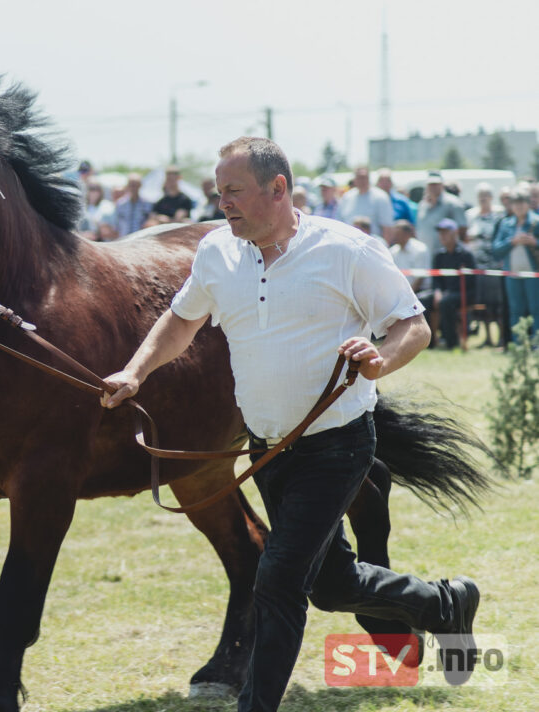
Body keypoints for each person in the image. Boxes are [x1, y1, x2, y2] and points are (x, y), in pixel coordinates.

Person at [101, 136, 480, 712]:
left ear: (278, 188)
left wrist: (381, 359)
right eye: (219, 191)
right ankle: (444, 604)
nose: (222, 203)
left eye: (234, 191)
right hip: (268, 451)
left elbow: (413, 326)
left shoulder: (346, 249)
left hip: (337, 445)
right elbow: (180, 322)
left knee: (277, 581)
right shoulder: (217, 253)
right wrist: (135, 371)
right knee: (329, 584)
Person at [491, 189, 539, 343]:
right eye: (516, 203)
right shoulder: (505, 224)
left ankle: (536, 344)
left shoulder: (536, 222)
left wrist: (535, 242)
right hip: (512, 274)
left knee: (536, 309)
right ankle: (518, 344)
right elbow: (496, 249)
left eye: (522, 203)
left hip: (534, 273)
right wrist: (512, 241)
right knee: (516, 310)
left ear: (528, 204)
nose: (519, 207)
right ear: (511, 205)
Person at [465, 184, 506, 347]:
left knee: (497, 303)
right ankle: (487, 337)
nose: (483, 198)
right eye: (480, 195)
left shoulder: (499, 216)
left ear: (491, 197)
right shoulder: (471, 216)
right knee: (483, 304)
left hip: (494, 267)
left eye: (486, 195)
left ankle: (502, 337)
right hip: (477, 267)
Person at [430, 219, 476, 350]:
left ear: (455, 233)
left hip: (464, 293)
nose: (442, 236)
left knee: (445, 302)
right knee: (422, 300)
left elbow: (470, 281)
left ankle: (451, 341)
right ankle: (430, 342)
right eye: (440, 233)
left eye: (445, 232)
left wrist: (444, 294)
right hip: (444, 293)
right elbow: (436, 279)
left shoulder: (466, 254)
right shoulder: (439, 255)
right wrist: (437, 292)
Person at [334, 165, 394, 238]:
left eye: (364, 177)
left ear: (368, 178)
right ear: (354, 179)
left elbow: (387, 227)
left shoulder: (381, 197)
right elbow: (339, 222)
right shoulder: (347, 197)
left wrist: (385, 244)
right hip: (349, 241)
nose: (362, 181)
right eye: (359, 177)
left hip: (372, 242)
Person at [416, 171, 467, 255]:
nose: (433, 187)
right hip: (425, 254)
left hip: (445, 255)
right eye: (430, 184)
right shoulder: (422, 205)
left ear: (442, 185)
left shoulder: (453, 203)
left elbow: (462, 229)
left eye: (436, 184)